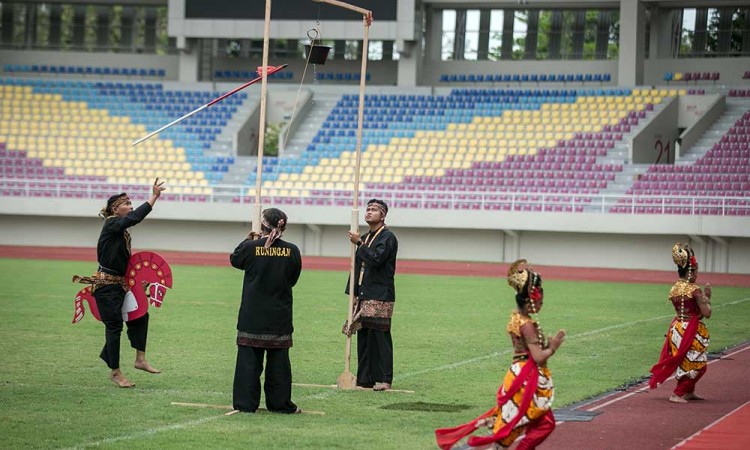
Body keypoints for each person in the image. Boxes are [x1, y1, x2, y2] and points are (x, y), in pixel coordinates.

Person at [435, 259, 565, 450]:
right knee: (520, 423)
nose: (541, 303)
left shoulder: (517, 317)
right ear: (532, 299)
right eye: (540, 299)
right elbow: (537, 357)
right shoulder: (527, 324)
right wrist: (552, 347)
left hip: (520, 372)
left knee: (530, 421)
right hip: (526, 378)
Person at [73, 179, 166, 388]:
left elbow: (127, 264)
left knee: (140, 315)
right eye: (127, 204)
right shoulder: (112, 223)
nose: (131, 207)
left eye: (131, 204)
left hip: (120, 285)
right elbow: (135, 218)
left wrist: (137, 283)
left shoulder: (120, 230)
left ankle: (140, 359)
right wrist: (154, 198)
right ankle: (115, 372)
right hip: (106, 288)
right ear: (116, 208)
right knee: (114, 327)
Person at [230, 208, 302, 413]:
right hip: (279, 314)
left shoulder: (251, 247)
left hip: (252, 314)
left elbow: (235, 260)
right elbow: (293, 279)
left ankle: (245, 404)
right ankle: (280, 404)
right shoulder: (292, 250)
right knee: (279, 364)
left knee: (248, 363)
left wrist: (248, 240)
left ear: (262, 225)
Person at [344, 198, 398, 391]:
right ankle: (365, 378)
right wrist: (353, 293)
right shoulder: (366, 237)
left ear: (382, 215)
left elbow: (376, 260)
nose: (369, 212)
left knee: (380, 336)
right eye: (368, 209)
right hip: (365, 293)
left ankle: (384, 379)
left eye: (374, 210)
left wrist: (359, 242)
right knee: (364, 336)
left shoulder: (387, 238)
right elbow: (357, 267)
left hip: (381, 293)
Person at [649, 243, 712, 403]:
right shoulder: (694, 290)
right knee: (699, 364)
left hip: (677, 328)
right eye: (696, 270)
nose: (697, 274)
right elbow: (706, 313)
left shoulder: (674, 289)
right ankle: (677, 393)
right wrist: (707, 298)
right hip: (691, 330)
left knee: (685, 361)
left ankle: (689, 391)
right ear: (690, 271)